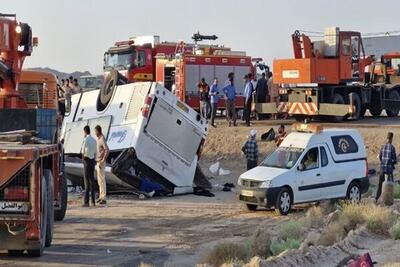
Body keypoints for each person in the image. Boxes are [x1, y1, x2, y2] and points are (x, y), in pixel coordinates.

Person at [376, 132, 397, 201]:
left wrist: (383, 162)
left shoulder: (383, 147)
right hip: (388, 170)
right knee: (390, 185)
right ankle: (388, 200)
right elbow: (394, 160)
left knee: (380, 185)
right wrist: (393, 163)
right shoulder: (392, 148)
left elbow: (380, 157)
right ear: (391, 138)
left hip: (382, 169)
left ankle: (376, 199)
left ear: (387, 138)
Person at [81, 126, 97, 207]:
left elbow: (83, 149)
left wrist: (83, 158)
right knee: (92, 181)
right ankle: (93, 201)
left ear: (85, 131)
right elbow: (95, 152)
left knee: (86, 181)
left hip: (87, 160)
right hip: (92, 160)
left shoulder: (85, 139)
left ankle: (86, 202)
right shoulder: (94, 140)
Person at [94, 125, 109, 205]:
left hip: (101, 162)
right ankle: (101, 197)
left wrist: (103, 160)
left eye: (95, 131)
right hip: (98, 161)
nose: (95, 133)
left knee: (102, 180)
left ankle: (103, 198)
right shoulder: (98, 139)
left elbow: (107, 149)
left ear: (98, 131)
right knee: (99, 181)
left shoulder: (102, 139)